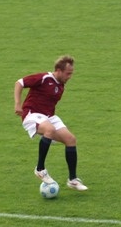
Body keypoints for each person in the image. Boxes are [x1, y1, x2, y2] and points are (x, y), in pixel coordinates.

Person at [14, 55, 88, 192]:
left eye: (71, 73)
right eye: (68, 73)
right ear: (58, 71)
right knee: (49, 130)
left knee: (71, 139)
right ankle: (40, 169)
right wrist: (18, 104)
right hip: (32, 113)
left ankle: (72, 180)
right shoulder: (44, 78)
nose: (70, 77)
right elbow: (19, 83)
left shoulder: (61, 86)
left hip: (48, 116)